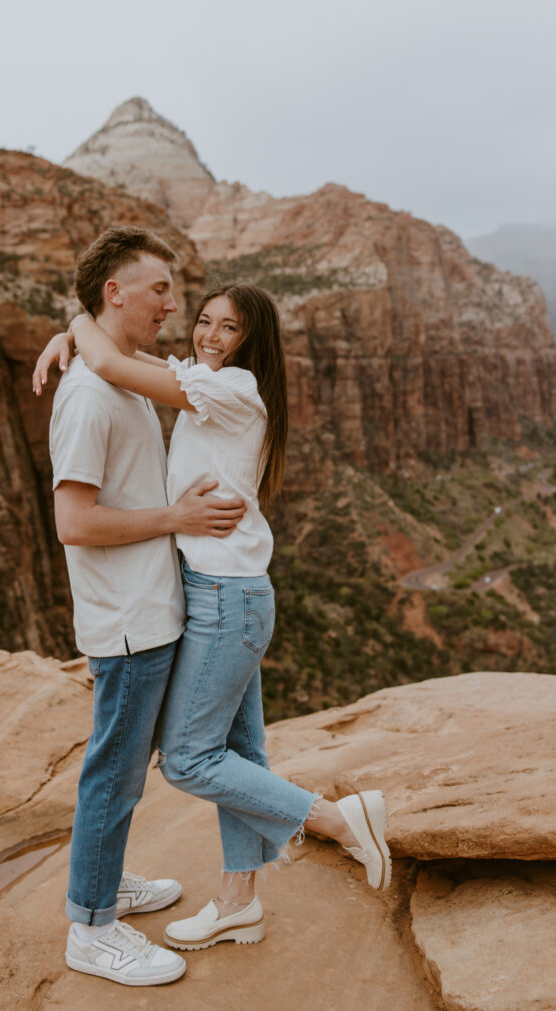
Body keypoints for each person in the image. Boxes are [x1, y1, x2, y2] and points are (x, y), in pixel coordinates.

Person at [37, 276, 391, 956]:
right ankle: (238, 903)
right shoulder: (203, 376)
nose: (208, 335)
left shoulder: (233, 390)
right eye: (203, 321)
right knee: (239, 754)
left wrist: (75, 329)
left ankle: (333, 820)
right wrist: (69, 337)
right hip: (217, 588)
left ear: (251, 341)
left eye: (228, 328)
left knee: (188, 761)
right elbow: (128, 366)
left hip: (226, 599)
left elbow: (112, 364)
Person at [38, 226, 247, 986]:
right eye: (158, 288)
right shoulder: (90, 398)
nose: (172, 302)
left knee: (124, 769)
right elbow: (73, 522)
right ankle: (90, 929)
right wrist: (174, 520)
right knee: (115, 772)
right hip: (124, 621)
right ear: (113, 293)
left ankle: (104, 882)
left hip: (148, 613)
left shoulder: (121, 376)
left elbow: (107, 349)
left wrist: (73, 331)